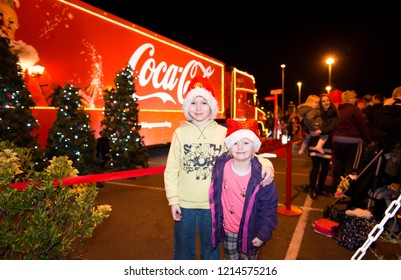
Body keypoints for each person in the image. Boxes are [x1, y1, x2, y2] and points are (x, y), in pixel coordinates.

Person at [163, 76, 274, 260]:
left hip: (214, 206)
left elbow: (245, 153)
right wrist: (173, 200)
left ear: (212, 106)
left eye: (204, 102)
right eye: (193, 102)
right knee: (183, 252)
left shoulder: (223, 133)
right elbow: (172, 169)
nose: (198, 108)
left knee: (212, 253)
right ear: (187, 106)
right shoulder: (179, 133)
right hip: (184, 205)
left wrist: (267, 164)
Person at [209, 118, 278, 260]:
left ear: (255, 147)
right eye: (235, 143)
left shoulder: (262, 176)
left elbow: (268, 207)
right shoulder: (221, 165)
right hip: (228, 231)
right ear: (229, 146)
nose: (240, 147)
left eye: (246, 143)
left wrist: (263, 233)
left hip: (251, 232)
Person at [329, 90, 372, 200]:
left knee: (338, 165)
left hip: (338, 140)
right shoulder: (355, 110)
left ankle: (335, 189)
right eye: (354, 98)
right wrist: (369, 140)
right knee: (352, 168)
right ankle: (344, 192)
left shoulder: (339, 111)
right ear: (350, 99)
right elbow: (362, 127)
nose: (355, 100)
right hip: (353, 142)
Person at [306, 93, 339, 199]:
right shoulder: (316, 111)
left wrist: (320, 130)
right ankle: (313, 189)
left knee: (325, 168)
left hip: (327, 143)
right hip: (315, 142)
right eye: (323, 101)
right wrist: (309, 130)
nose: (326, 102)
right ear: (320, 103)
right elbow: (306, 122)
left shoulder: (334, 113)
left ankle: (320, 188)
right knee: (315, 168)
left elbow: (333, 126)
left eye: (327, 100)